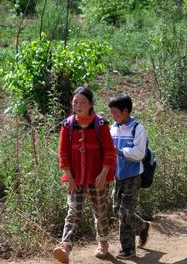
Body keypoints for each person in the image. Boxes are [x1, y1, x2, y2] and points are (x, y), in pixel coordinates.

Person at [53, 86, 117, 263]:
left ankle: (103, 242)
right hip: (75, 179)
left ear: (91, 104)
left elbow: (109, 152)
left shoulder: (101, 125)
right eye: (75, 102)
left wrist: (104, 174)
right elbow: (63, 153)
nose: (78, 105)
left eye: (83, 102)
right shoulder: (68, 125)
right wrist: (70, 177)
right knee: (73, 211)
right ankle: (65, 247)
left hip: (97, 177)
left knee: (100, 211)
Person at [108, 93, 151, 259]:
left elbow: (139, 153)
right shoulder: (113, 128)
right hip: (118, 176)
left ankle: (128, 249)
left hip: (133, 176)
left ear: (125, 111)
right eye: (111, 113)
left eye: (116, 113)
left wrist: (119, 151)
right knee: (117, 209)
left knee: (125, 211)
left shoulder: (137, 128)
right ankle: (142, 227)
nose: (113, 116)